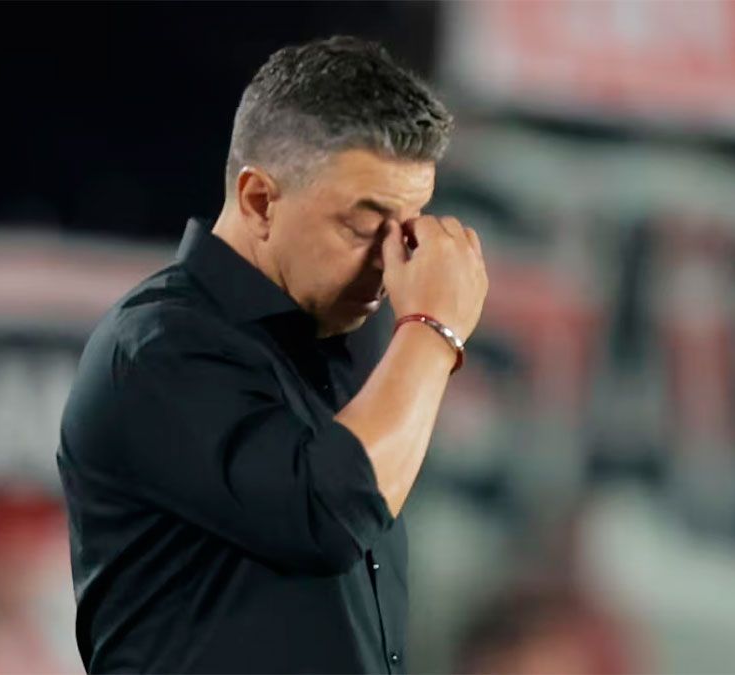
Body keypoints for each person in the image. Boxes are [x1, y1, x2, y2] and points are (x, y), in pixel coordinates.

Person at [57, 35, 487, 673]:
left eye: (408, 227)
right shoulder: (156, 347)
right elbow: (331, 515)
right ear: (259, 200)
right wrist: (431, 328)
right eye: (362, 225)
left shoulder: (329, 356)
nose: (391, 262)